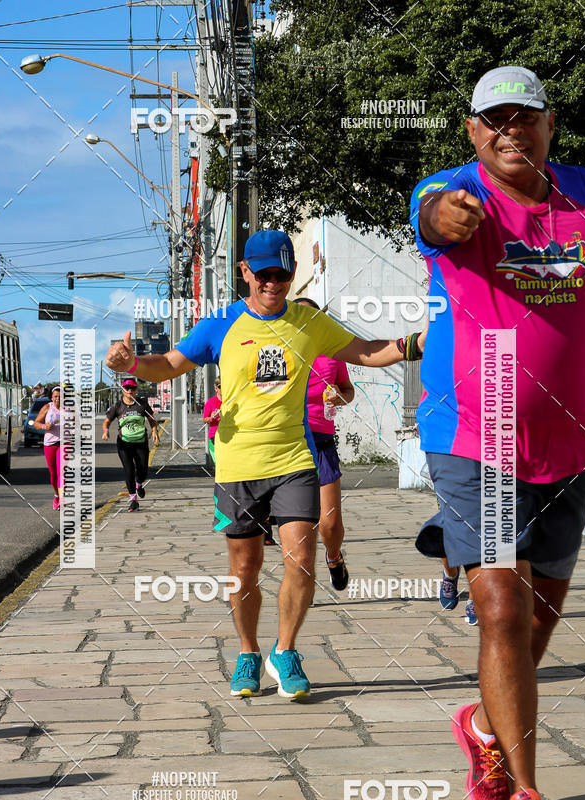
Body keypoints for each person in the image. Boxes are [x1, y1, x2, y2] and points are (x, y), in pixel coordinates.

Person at [106, 229, 424, 701]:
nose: (273, 283)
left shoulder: (309, 323)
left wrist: (419, 341)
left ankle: (286, 650)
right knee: (246, 566)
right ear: (246, 273)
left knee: (302, 555)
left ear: (292, 275)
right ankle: (248, 653)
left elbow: (366, 351)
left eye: (282, 274)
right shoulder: (220, 324)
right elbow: (169, 365)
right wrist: (130, 363)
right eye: (264, 274)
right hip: (237, 465)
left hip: (295, 458)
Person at [411, 65, 585, 800]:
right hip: (477, 438)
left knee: (540, 618)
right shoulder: (452, 193)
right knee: (503, 610)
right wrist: (447, 214)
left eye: (527, 118)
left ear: (551, 126)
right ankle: (526, 797)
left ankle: (483, 727)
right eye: (495, 121)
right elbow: (433, 215)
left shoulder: (582, 194)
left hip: (572, 444)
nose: (512, 132)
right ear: (473, 131)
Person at [296, 298, 355, 590]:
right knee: (299, 525)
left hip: (321, 440)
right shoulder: (281, 351)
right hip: (289, 441)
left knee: (329, 523)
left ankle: (334, 557)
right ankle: (302, 581)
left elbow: (348, 390)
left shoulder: (333, 353)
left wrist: (339, 397)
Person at [102, 378, 160, 512]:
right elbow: (106, 422)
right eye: (127, 388)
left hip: (141, 442)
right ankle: (133, 499)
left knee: (143, 470)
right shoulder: (118, 406)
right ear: (122, 390)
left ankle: (139, 484)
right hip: (124, 443)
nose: (129, 390)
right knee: (128, 470)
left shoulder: (142, 404)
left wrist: (155, 431)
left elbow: (152, 420)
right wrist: (105, 431)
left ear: (136, 390)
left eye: (132, 388)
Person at [31, 385, 61, 510]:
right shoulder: (47, 407)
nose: (58, 399)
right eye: (55, 397)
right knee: (53, 473)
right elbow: (36, 423)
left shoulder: (70, 409)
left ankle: (63, 499)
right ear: (51, 397)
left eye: (60, 397)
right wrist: (44, 426)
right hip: (50, 444)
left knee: (62, 472)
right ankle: (56, 495)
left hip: (65, 443)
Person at [203, 377, 222, 463]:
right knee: (218, 462)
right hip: (214, 436)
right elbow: (205, 419)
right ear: (216, 389)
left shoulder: (230, 401)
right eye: (221, 386)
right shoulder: (211, 402)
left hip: (229, 435)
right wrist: (211, 418)